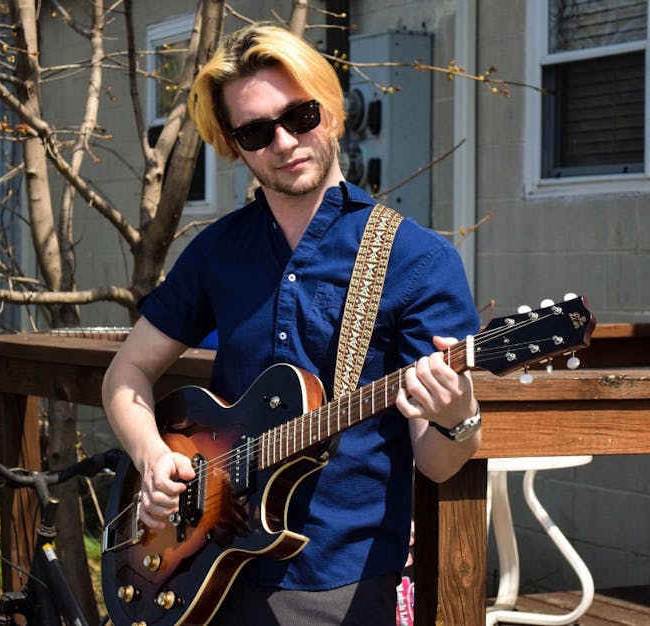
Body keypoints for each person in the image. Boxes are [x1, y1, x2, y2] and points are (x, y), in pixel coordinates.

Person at [101, 23, 481, 626]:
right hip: (203, 566)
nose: (284, 141)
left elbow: (436, 463)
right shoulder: (217, 251)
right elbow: (128, 371)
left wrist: (457, 416)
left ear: (329, 110)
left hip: (338, 581)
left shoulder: (417, 261)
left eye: (299, 115)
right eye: (256, 130)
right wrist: (151, 455)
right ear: (235, 144)